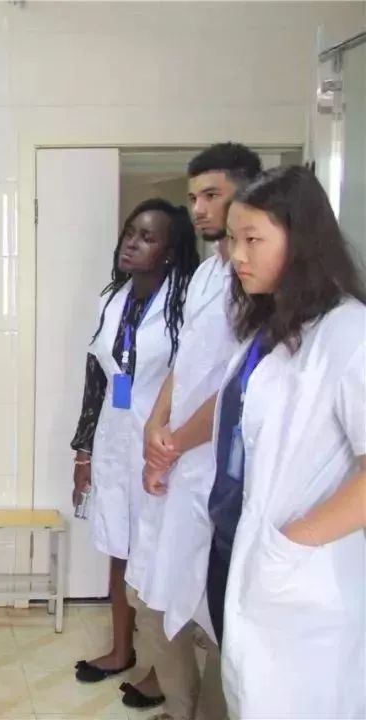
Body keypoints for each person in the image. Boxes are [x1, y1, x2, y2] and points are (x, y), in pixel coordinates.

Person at [204, 166, 365, 718]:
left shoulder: (350, 334)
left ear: (301, 241)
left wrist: (290, 546)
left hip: (304, 577)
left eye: (253, 240)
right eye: (233, 239)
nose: (237, 256)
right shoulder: (274, 328)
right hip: (251, 555)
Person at [139, 143, 261, 720]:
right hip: (180, 459)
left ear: (249, 192)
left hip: (217, 465)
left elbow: (242, 384)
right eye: (193, 197)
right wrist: (156, 425)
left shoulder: (256, 281)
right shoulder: (208, 273)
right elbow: (185, 362)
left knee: (215, 612)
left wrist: (175, 442)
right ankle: (180, 707)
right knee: (161, 596)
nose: (199, 209)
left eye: (212, 195)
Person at [70, 199, 200, 702]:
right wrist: (83, 452)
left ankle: (162, 671)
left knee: (158, 554)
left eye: (147, 237)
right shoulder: (114, 298)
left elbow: (194, 379)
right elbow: (97, 379)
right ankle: (121, 649)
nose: (132, 243)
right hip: (114, 438)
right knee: (118, 545)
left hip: (163, 445)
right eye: (130, 232)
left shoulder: (186, 302)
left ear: (169, 251)